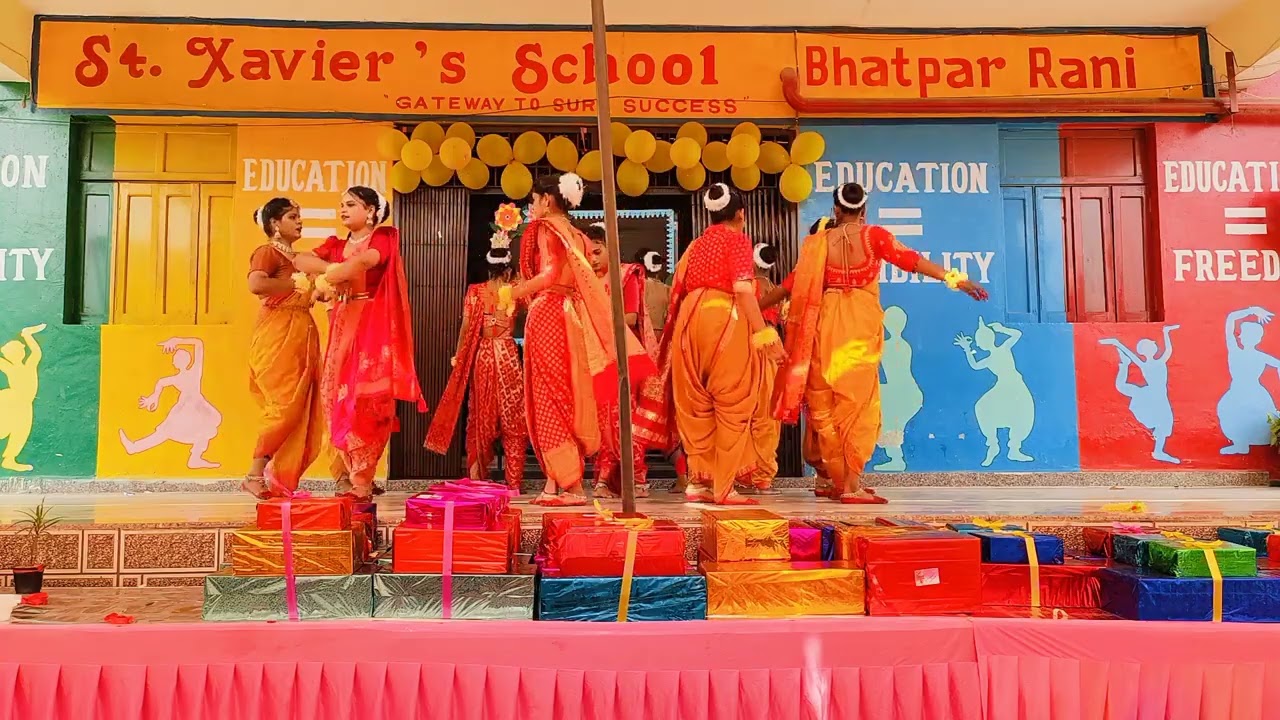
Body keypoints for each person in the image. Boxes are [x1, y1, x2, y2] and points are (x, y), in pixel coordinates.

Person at [766, 183, 988, 504]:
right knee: (858, 404)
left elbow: (789, 285)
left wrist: (752, 307)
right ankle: (850, 486)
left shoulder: (818, 244)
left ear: (836, 210)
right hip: (858, 327)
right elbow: (911, 260)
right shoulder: (875, 237)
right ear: (864, 210)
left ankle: (834, 479)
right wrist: (955, 279)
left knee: (825, 405)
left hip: (825, 328)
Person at [499, 173, 655, 507]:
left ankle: (564, 484)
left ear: (547, 200)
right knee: (565, 395)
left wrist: (512, 291)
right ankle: (564, 485)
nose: (530, 207)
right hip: (572, 315)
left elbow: (549, 275)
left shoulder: (545, 228)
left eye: (532, 200)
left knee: (547, 397)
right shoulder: (577, 235)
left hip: (548, 312)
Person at [641, 183, 783, 506]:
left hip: (690, 320)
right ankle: (724, 487)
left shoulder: (697, 245)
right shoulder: (737, 241)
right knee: (733, 400)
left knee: (696, 403)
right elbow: (744, 292)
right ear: (741, 215)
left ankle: (698, 481)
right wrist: (764, 336)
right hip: (723, 316)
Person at [293, 186, 425, 501]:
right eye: (341, 205)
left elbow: (367, 261)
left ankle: (363, 480)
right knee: (334, 396)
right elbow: (300, 260)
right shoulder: (336, 245)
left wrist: (337, 274)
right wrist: (332, 272)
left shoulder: (382, 238)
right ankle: (350, 475)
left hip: (372, 324)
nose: (343, 209)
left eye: (351, 204)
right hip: (342, 324)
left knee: (368, 402)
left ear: (370, 211)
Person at [425, 217, 527, 491]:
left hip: (482, 355)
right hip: (506, 356)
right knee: (513, 416)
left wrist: (459, 357)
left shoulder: (476, 291)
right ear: (508, 268)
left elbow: (467, 327)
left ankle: (478, 479)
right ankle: (514, 483)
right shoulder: (516, 290)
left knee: (481, 418)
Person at [242, 198, 325, 498]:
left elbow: (318, 292)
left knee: (303, 410)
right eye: (293, 217)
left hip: (303, 333)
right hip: (277, 333)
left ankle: (281, 482)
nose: (300, 221)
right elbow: (256, 285)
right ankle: (254, 474)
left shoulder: (300, 259)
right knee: (284, 408)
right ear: (275, 224)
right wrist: (295, 285)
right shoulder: (267, 252)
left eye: (300, 216)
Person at [583, 223, 654, 499]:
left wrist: (599, 323)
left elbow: (631, 318)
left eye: (598, 251)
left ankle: (635, 477)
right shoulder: (587, 280)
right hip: (595, 357)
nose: (593, 259)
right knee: (600, 422)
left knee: (623, 418)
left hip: (622, 358)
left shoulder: (626, 275)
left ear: (611, 248)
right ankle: (602, 480)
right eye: (589, 254)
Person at [119, 338, 223, 470]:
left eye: (175, 358)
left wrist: (176, 340)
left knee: (200, 429)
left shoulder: (189, 373)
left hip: (193, 407)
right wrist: (154, 397)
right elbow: (161, 383)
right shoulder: (189, 374)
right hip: (189, 408)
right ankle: (134, 447)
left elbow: (199, 344)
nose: (173, 361)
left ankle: (194, 458)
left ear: (179, 362)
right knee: (192, 430)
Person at [954, 318, 1035, 467]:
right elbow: (975, 365)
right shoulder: (989, 359)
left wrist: (1001, 329)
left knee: (1020, 413)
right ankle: (993, 446)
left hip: (1015, 386)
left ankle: (1014, 449)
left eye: (979, 341)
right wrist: (966, 349)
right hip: (1003, 386)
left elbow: (1017, 334)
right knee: (982, 407)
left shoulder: (1004, 348)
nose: (978, 344)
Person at [1099, 325, 1180, 464]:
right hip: (1152, 394)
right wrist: (1117, 343)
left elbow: (1169, 350)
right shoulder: (1145, 364)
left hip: (1158, 395)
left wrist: (1166, 332)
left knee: (1163, 423)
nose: (1154, 347)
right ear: (1147, 350)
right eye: (1151, 346)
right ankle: (1124, 365)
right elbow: (1132, 353)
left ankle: (1158, 452)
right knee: (1163, 422)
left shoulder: (1157, 361)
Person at [743, 242, 783, 495]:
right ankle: (764, 476)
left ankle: (744, 471)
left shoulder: (747, 289)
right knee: (768, 416)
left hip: (748, 348)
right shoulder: (777, 290)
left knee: (745, 413)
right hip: (772, 350)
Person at [1216, 306, 1279, 454]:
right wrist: (1253, 309)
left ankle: (1242, 444)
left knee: (1239, 415)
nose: (1239, 336)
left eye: (1242, 334)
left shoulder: (1237, 351)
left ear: (1253, 338)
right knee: (1231, 413)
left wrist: (1252, 310)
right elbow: (1230, 319)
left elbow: (1231, 319)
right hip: (1244, 391)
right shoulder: (1250, 354)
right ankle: (1241, 445)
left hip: (1247, 392)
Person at [0, 323, 46, 473]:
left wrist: (27, 336)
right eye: (19, 349)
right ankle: (9, 459)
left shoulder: (28, 365)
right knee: (12, 429)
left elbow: (36, 353)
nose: (22, 350)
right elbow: (36, 353)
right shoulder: (11, 367)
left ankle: (9, 459)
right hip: (14, 401)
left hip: (25, 404)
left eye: (21, 349)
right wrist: (27, 335)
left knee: (21, 432)